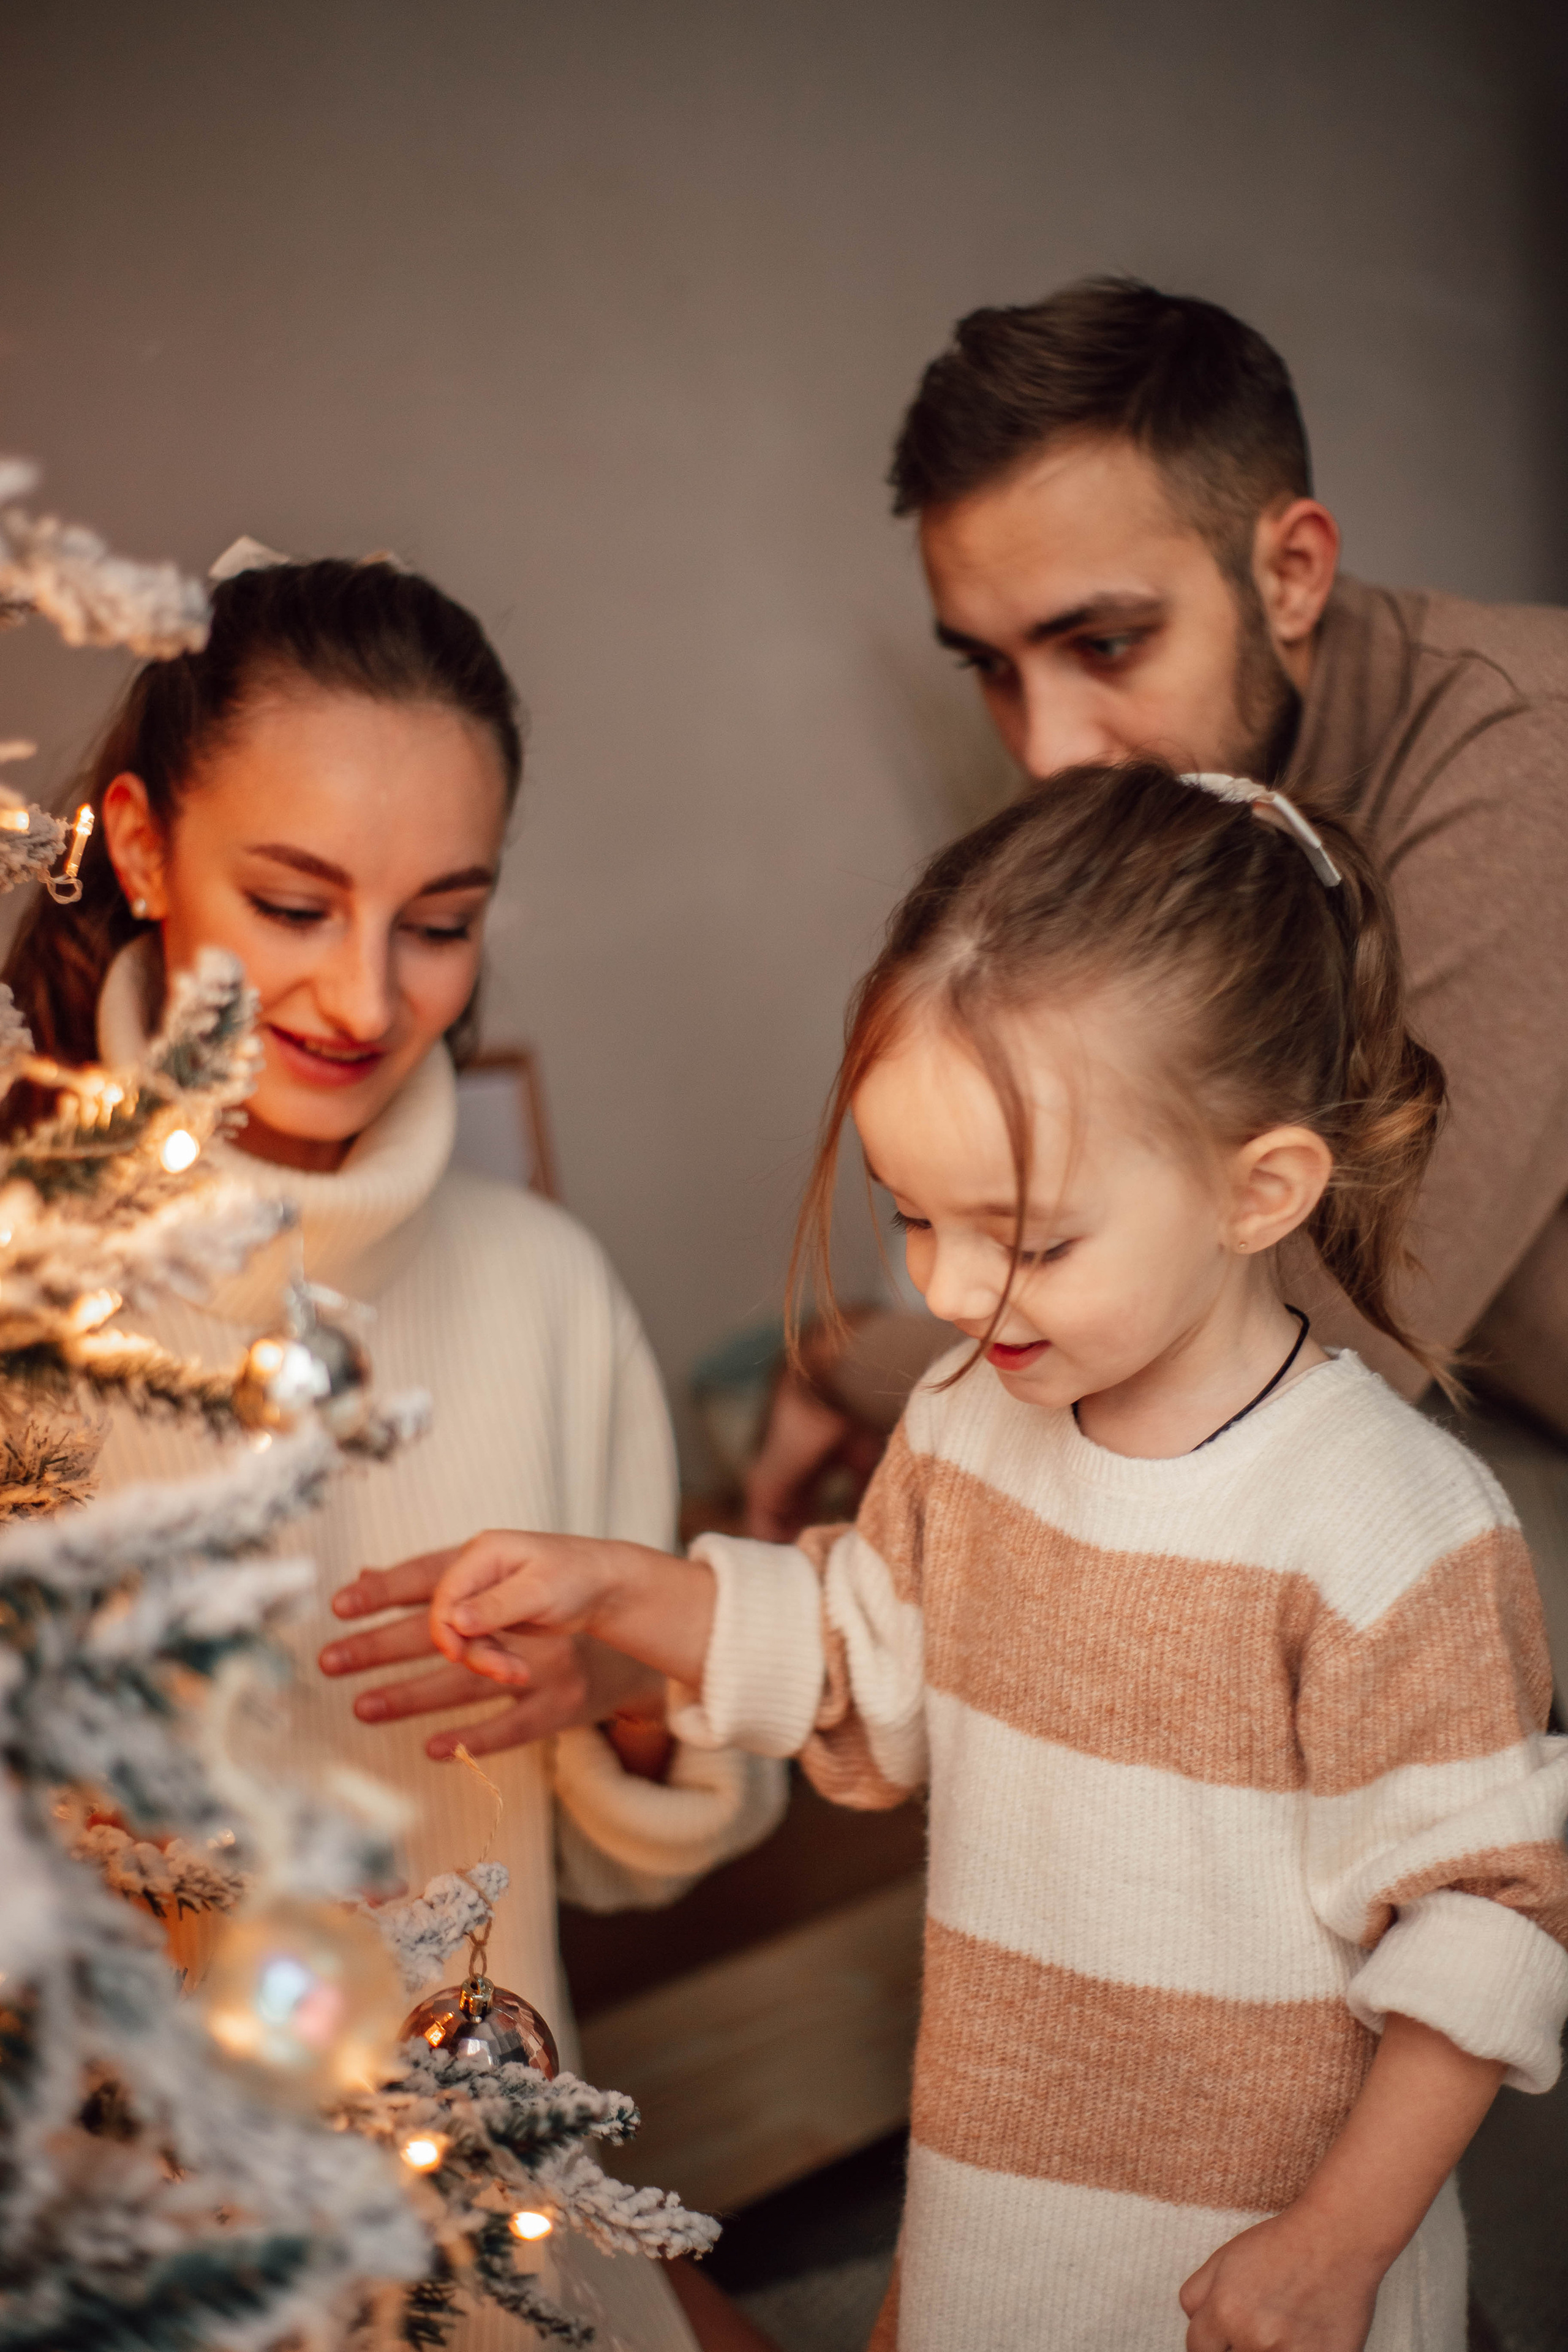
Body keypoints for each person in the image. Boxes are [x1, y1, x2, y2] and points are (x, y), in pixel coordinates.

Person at [417, 764, 1568, 2352]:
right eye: (914, 1216)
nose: (953, 1290)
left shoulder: (1394, 1529)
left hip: (1277, 2269)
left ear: (1261, 1190)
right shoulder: (967, 1424)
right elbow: (867, 1660)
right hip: (996, 2216)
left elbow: (1492, 1913)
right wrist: (631, 1603)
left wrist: (1337, 2243)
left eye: (1026, 1236)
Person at [4, 554, 785, 2352]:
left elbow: (628, 1862)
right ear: (138, 847)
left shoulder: (547, 1292)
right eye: (293, 904)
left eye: (440, 920)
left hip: (490, 2259)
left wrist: (625, 1689)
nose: (364, 996)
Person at [746, 277, 1568, 1542]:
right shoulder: (1187, 822)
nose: (1047, 750)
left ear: (1289, 572)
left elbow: (1291, 1356)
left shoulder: (1528, 749)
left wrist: (851, 1359)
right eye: (990, 668)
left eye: (1107, 644)